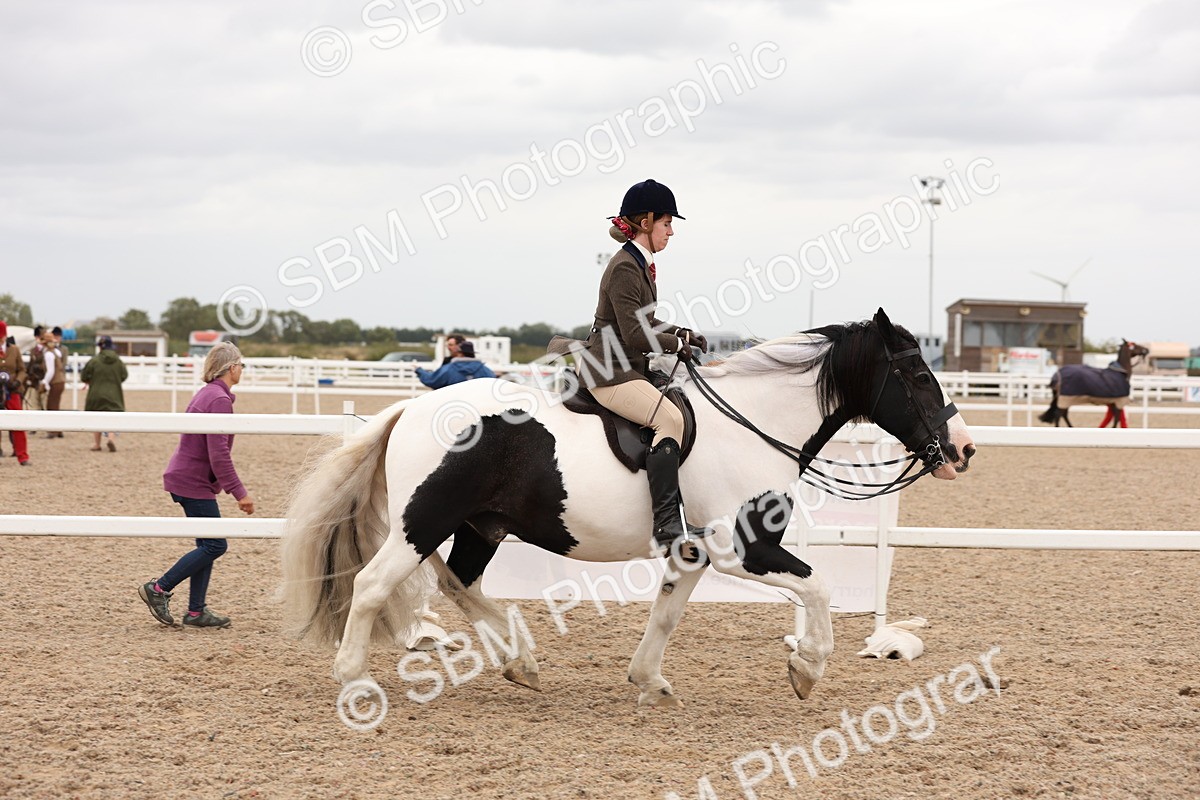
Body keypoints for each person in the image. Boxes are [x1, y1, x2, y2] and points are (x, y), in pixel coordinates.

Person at [576, 178, 712, 556]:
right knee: (669, 419)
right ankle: (667, 524)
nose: (671, 231)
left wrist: (682, 332)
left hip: (627, 365)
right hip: (610, 370)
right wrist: (677, 345)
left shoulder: (640, 264)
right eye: (667, 223)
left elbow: (645, 321)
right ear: (646, 221)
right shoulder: (625, 267)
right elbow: (635, 334)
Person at [138, 342, 254, 629]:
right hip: (193, 481)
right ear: (231, 368)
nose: (242, 370)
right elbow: (219, 454)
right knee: (215, 544)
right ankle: (159, 588)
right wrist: (240, 493)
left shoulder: (208, 393)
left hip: (187, 478)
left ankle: (195, 612)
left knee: (207, 544)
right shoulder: (219, 400)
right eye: (241, 365)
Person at [81, 335, 128, 451]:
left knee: (96, 417)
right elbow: (124, 375)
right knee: (113, 416)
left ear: (100, 347)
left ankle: (97, 444)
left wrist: (91, 381)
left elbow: (84, 376)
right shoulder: (118, 361)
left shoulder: (94, 361)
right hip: (114, 394)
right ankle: (111, 439)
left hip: (96, 393)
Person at [0, 320, 31, 466]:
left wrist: (18, 381)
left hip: (12, 390)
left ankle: (22, 455)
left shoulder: (14, 350)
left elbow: (22, 370)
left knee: (18, 423)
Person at [415, 340, 496, 389]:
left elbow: (432, 380)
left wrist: (419, 370)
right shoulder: (486, 370)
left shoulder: (449, 369)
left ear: (460, 353)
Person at [41, 326, 67, 438]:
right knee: (56, 405)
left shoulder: (48, 354)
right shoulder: (56, 352)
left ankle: (53, 430)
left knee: (51, 405)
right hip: (60, 381)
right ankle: (58, 430)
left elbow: (50, 371)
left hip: (55, 382)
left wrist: (44, 382)